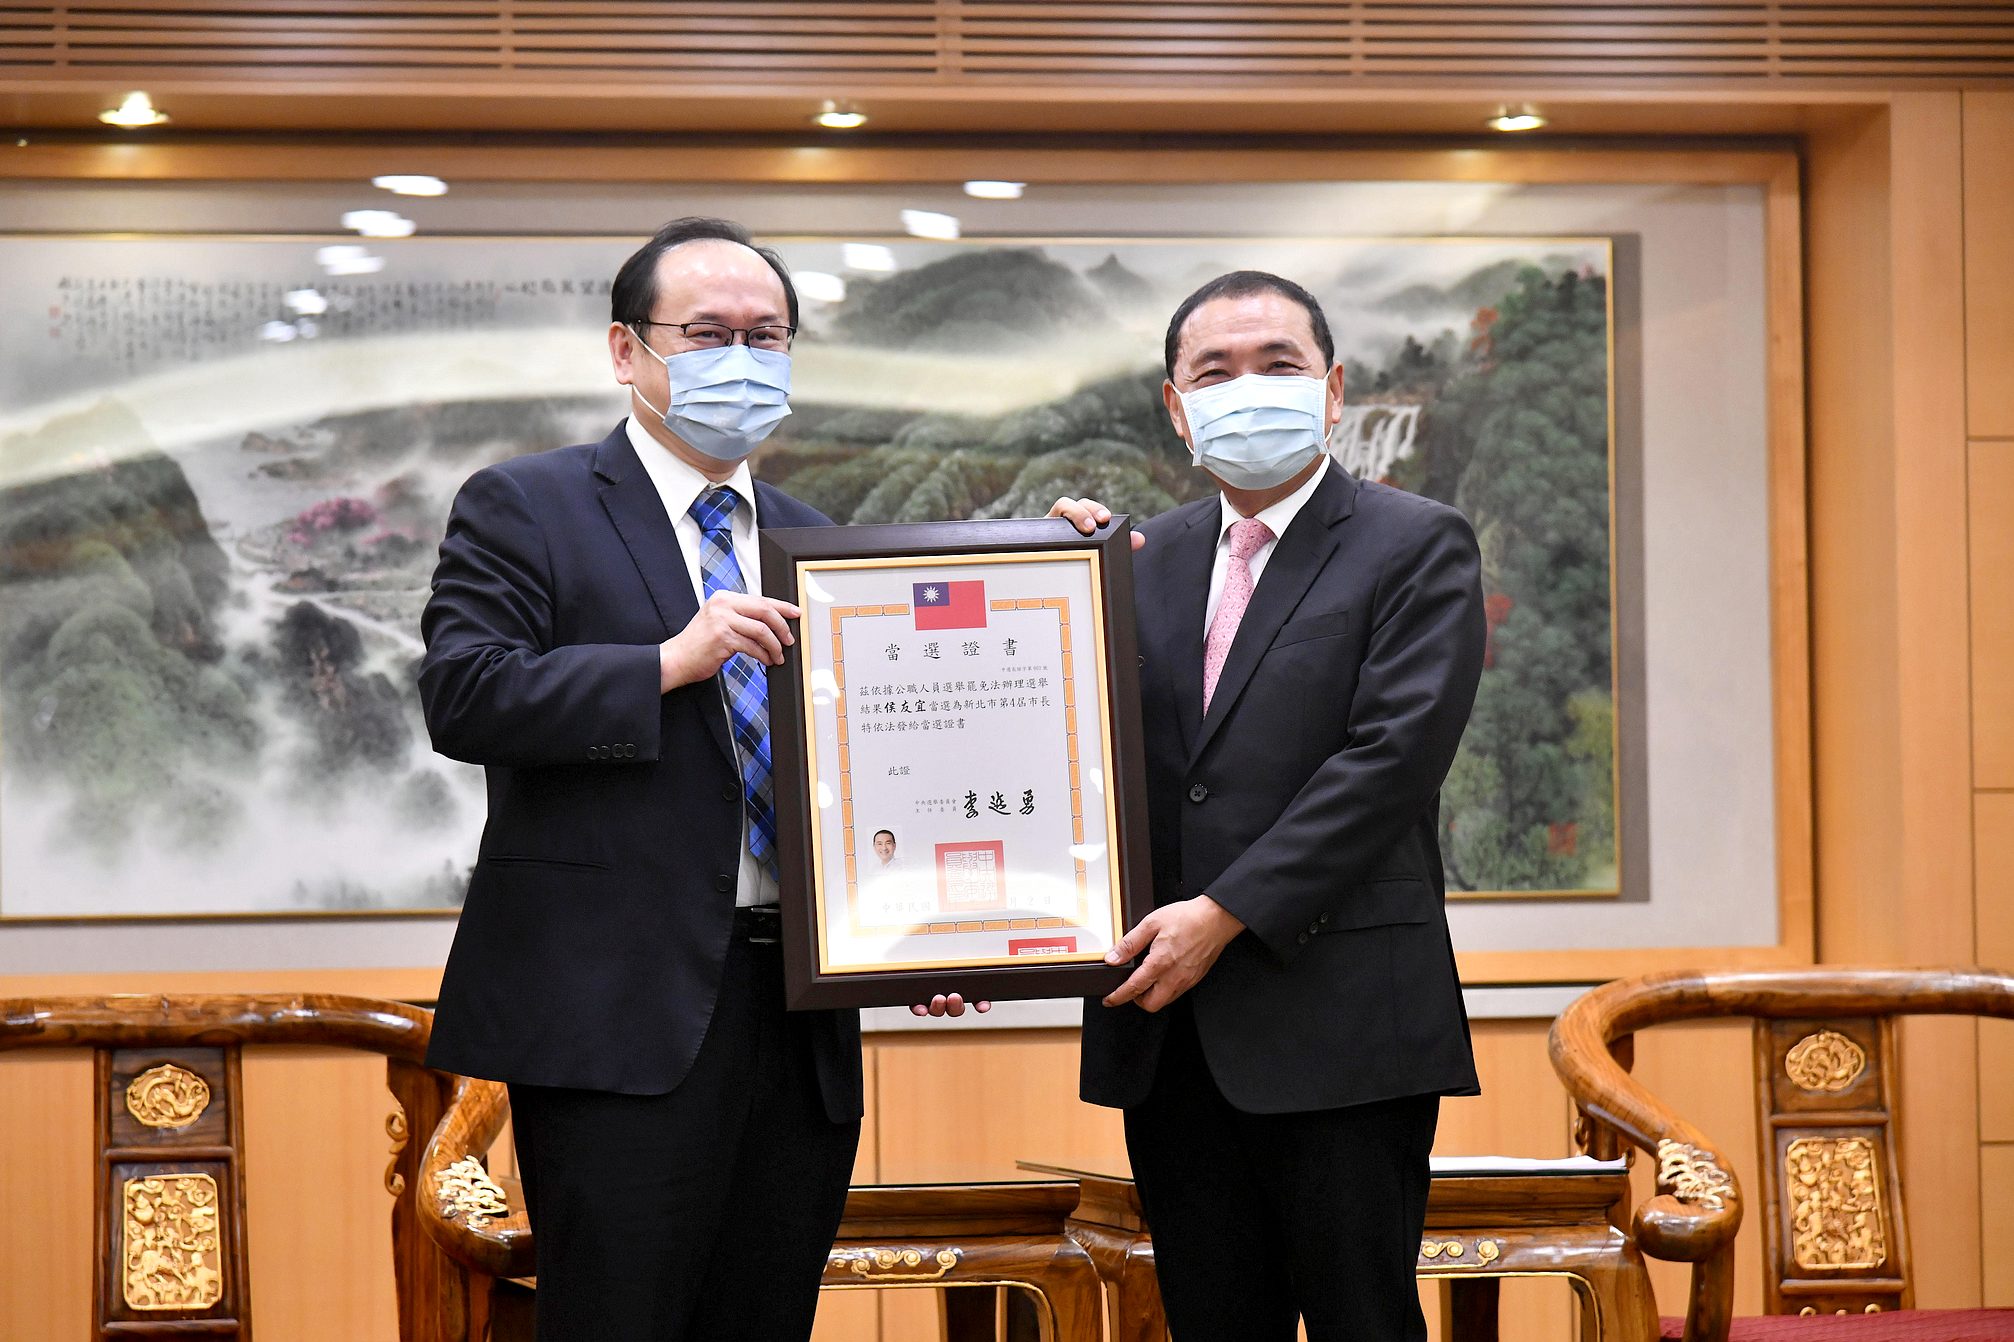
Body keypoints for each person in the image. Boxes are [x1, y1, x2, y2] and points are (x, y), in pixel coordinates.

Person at [420, 218, 1000, 1341]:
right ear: (626, 350)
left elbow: (871, 764)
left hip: (797, 1013)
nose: (741, 357)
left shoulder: (812, 535)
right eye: (708, 333)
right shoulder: (525, 504)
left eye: (766, 335)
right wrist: (667, 663)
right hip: (617, 1017)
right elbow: (467, 695)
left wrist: (920, 936)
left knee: (767, 1315)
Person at [1067, 270, 1486, 1341]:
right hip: (1172, 1033)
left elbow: (1389, 762)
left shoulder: (1414, 541)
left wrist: (1225, 911)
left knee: (1364, 1320)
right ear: (1175, 403)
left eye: (1278, 365)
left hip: (1342, 1021)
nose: (1247, 388)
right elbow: (1073, 753)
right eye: (1215, 371)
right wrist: (1043, 578)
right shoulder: (1134, 564)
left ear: (1333, 388)